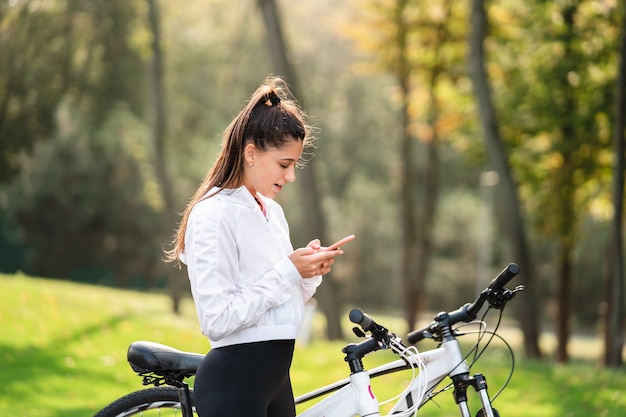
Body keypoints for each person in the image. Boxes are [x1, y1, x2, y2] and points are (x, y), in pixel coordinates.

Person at [165, 76, 345, 417]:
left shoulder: (271, 212)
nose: (290, 177)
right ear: (250, 153)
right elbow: (217, 319)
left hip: (276, 379)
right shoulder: (214, 214)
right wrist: (288, 270)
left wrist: (308, 273)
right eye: (284, 164)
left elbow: (275, 305)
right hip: (235, 381)